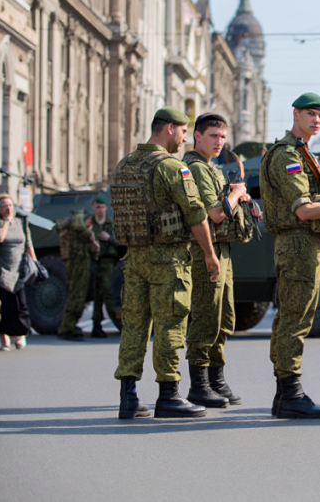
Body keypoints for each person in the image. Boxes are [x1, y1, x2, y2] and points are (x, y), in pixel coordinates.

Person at [111, 106, 221, 420]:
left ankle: (128, 397)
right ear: (170, 128)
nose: (185, 139)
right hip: (167, 260)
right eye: (184, 132)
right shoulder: (172, 167)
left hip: (133, 259)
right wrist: (210, 255)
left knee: (133, 327)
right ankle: (169, 395)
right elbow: (196, 214)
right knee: (170, 324)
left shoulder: (124, 164)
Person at [260, 93, 320, 419]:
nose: (316, 120)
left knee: (292, 318)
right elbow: (302, 209)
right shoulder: (288, 155)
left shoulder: (303, 153)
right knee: (295, 321)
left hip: (305, 245)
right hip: (299, 244)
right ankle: (291, 394)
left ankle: (284, 394)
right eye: (310, 114)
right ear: (295, 114)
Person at [183, 113, 258, 408]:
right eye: (213, 136)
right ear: (197, 136)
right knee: (205, 315)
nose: (219, 142)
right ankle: (199, 385)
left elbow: (225, 207)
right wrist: (237, 192)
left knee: (224, 316)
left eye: (223, 137)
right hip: (205, 251)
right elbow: (214, 214)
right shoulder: (196, 169)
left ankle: (216, 380)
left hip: (222, 249)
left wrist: (242, 202)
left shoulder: (212, 168)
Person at [0, 194, 37, 351]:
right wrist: (7, 221)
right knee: (5, 308)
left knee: (21, 306)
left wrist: (35, 264)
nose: (9, 208)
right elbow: (0, 239)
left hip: (19, 270)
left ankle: (20, 336)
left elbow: (28, 244)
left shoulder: (21, 222)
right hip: (3, 270)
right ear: (0, 210)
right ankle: (5, 340)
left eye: (10, 205)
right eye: (5, 206)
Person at [57, 209, 99, 342]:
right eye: (89, 222)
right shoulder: (78, 220)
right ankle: (67, 328)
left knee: (79, 297)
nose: (89, 225)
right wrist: (90, 235)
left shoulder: (82, 233)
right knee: (75, 296)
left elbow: (93, 251)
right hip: (77, 264)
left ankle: (69, 326)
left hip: (83, 264)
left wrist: (94, 243)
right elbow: (78, 225)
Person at [86, 194, 117, 338]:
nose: (100, 210)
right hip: (93, 261)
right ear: (94, 207)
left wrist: (109, 238)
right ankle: (96, 326)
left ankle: (119, 323)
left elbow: (121, 243)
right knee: (97, 295)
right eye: (97, 207)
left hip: (107, 262)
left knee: (107, 293)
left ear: (106, 208)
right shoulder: (89, 223)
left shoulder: (110, 224)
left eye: (102, 207)